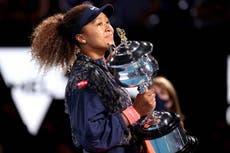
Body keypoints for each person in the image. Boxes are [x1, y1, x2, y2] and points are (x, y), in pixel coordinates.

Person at [30, 2, 157, 153]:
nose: (108, 28)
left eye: (107, 22)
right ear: (81, 38)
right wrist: (136, 111)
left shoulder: (101, 70)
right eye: (99, 24)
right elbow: (92, 138)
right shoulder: (85, 76)